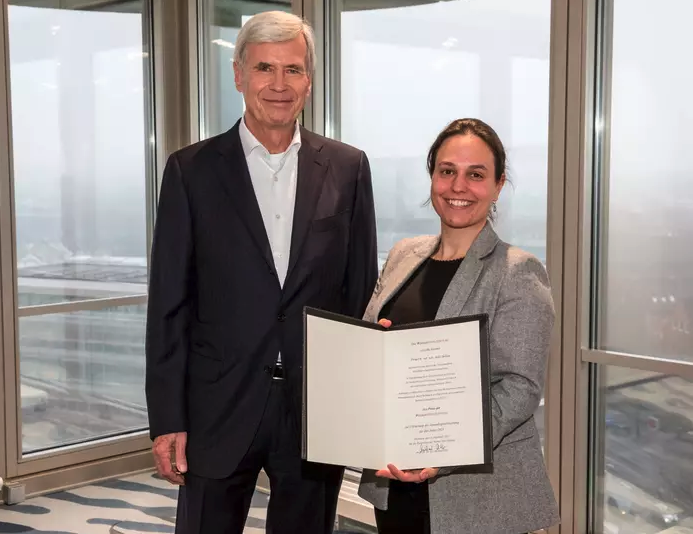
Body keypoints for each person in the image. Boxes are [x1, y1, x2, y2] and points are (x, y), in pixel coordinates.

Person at [145, 11, 378, 534]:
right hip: (215, 406)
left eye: (292, 70)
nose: (278, 84)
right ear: (238, 75)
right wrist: (168, 419)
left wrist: (354, 406)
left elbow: (357, 292)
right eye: (264, 68)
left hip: (312, 410)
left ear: (309, 81)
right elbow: (169, 306)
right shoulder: (190, 171)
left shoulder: (348, 167)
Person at [358, 118, 560, 534]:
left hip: (476, 496)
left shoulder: (517, 271)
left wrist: (440, 452)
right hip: (394, 481)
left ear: (498, 185)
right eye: (447, 171)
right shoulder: (403, 255)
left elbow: (519, 388)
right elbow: (368, 353)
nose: (458, 186)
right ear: (432, 176)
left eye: (476, 174)